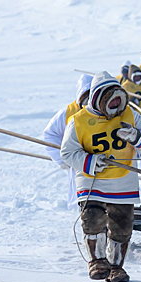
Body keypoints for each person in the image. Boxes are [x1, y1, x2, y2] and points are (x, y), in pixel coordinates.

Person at [61, 71, 141, 282]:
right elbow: (67, 152)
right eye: (111, 102)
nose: (116, 107)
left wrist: (136, 136)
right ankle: (97, 262)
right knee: (93, 220)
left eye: (118, 102)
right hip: (91, 181)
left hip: (123, 180)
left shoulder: (130, 114)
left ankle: (116, 267)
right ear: (98, 98)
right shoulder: (78, 121)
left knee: (122, 225)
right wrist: (91, 162)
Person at [43, 74, 93, 209]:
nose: (87, 100)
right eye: (84, 95)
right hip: (77, 162)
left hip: (101, 160)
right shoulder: (67, 113)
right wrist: (61, 159)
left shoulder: (103, 109)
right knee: (83, 199)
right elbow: (49, 134)